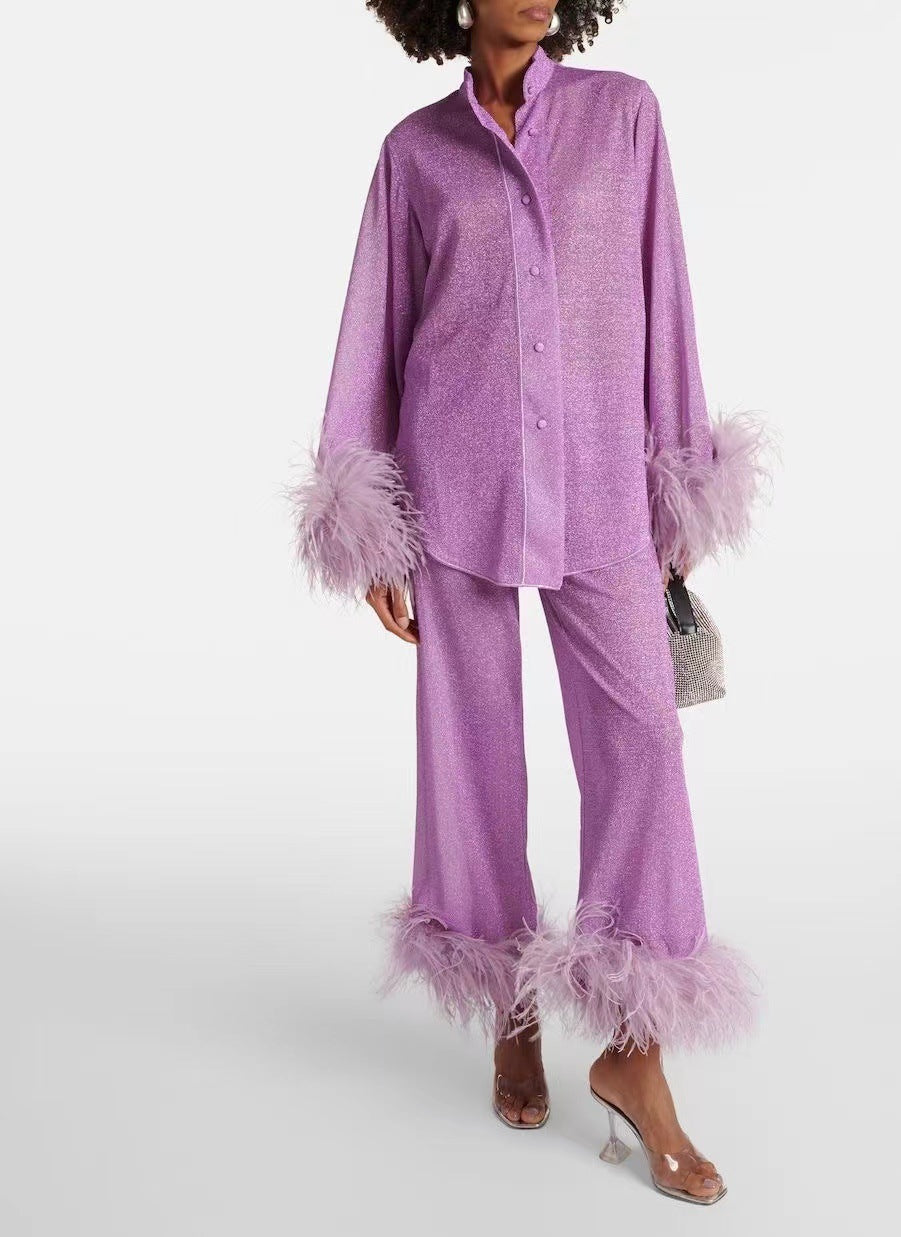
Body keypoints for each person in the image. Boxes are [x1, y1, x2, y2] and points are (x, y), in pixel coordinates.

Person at [291, 0, 770, 1205]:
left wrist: (678, 482)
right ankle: (508, 1003)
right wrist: (371, 516)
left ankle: (634, 1050)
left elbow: (665, 301)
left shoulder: (623, 118)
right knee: (471, 759)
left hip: (602, 490)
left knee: (642, 743)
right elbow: (374, 334)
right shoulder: (415, 153)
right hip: (456, 495)